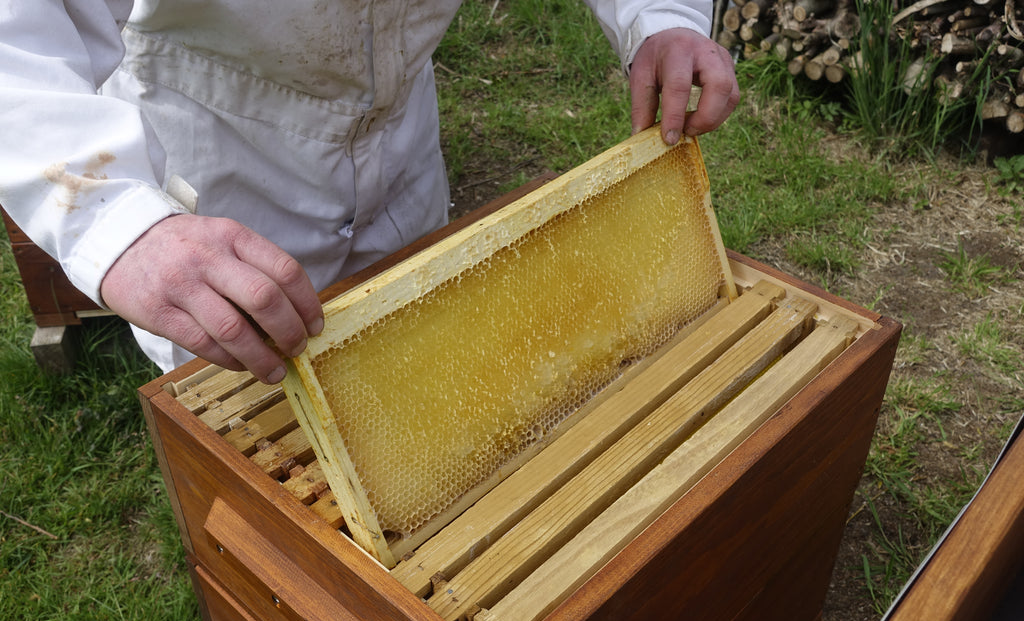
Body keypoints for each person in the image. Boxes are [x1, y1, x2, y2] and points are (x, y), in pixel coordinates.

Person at [0, 1, 739, 384]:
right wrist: (114, 217)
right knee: (263, 467)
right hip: (226, 161)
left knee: (423, 378)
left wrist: (660, 22)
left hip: (402, 138)